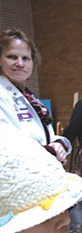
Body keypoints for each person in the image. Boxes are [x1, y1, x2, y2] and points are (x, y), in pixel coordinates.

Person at [0, 29, 71, 164]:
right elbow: (6, 148)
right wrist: (50, 151)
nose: (20, 63)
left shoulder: (31, 99)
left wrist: (60, 144)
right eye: (12, 57)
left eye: (26, 58)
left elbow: (42, 138)